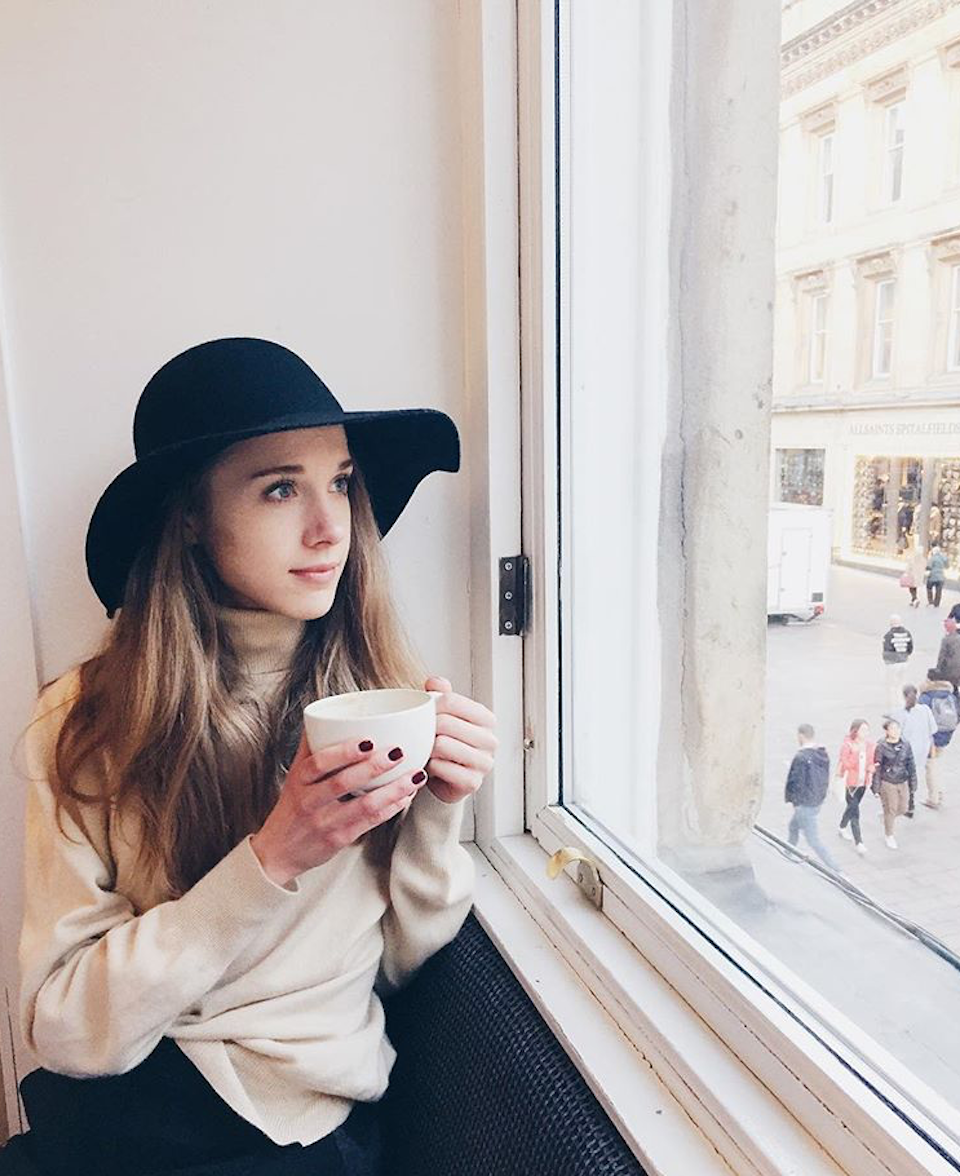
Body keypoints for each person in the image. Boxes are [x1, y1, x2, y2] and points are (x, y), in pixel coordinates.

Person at [2, 338, 498, 1175]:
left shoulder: (385, 700)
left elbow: (408, 958)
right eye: (279, 488)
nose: (328, 525)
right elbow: (65, 1026)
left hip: (296, 1132)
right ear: (192, 518)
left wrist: (440, 808)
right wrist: (272, 857)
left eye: (340, 481)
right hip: (121, 1114)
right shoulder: (84, 718)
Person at [784, 724, 840, 871]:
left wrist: (795, 802)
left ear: (801, 736)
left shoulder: (801, 757)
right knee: (793, 827)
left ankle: (836, 869)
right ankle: (787, 851)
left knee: (813, 840)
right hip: (816, 801)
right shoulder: (822, 754)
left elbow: (796, 782)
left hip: (804, 805)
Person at [872, 718, 917, 850]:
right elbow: (877, 767)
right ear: (887, 731)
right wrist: (876, 787)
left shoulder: (906, 744)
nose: (896, 731)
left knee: (903, 808)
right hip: (888, 781)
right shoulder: (881, 746)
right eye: (893, 729)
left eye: (898, 728)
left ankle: (885, 817)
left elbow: (911, 763)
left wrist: (913, 783)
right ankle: (889, 835)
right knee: (891, 808)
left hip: (902, 780)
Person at [892, 685, 938, 811]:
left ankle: (908, 804)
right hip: (924, 748)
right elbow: (934, 729)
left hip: (908, 751)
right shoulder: (926, 709)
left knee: (906, 777)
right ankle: (930, 797)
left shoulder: (900, 712)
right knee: (923, 773)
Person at [920, 667, 959, 808]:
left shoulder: (926, 696)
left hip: (931, 737)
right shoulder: (951, 694)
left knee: (931, 766)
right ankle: (939, 792)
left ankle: (934, 798)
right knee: (938, 763)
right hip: (946, 734)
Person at [837, 719, 875, 855]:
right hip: (850, 783)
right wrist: (856, 753)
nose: (866, 733)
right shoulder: (848, 745)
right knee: (855, 811)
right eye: (863, 730)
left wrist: (871, 768)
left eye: (867, 730)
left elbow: (871, 761)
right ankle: (859, 842)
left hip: (862, 783)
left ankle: (842, 826)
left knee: (851, 807)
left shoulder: (870, 745)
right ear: (856, 731)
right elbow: (845, 764)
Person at [881, 614, 913, 709]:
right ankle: (902, 703)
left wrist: (886, 660)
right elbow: (910, 647)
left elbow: (886, 650)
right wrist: (905, 656)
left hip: (892, 664)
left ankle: (893, 705)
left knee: (891, 686)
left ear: (891, 623)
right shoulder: (907, 633)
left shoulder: (888, 635)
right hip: (904, 662)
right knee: (901, 684)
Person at [934, 616, 960, 691]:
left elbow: (942, 656)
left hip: (950, 669)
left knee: (951, 688)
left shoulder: (946, 640)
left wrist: (938, 668)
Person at [900, 543, 925, 609]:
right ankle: (913, 600)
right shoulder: (923, 559)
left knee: (911, 589)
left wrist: (906, 573)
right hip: (919, 577)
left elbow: (909, 567)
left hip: (912, 576)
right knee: (915, 588)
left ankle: (915, 599)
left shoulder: (913, 558)